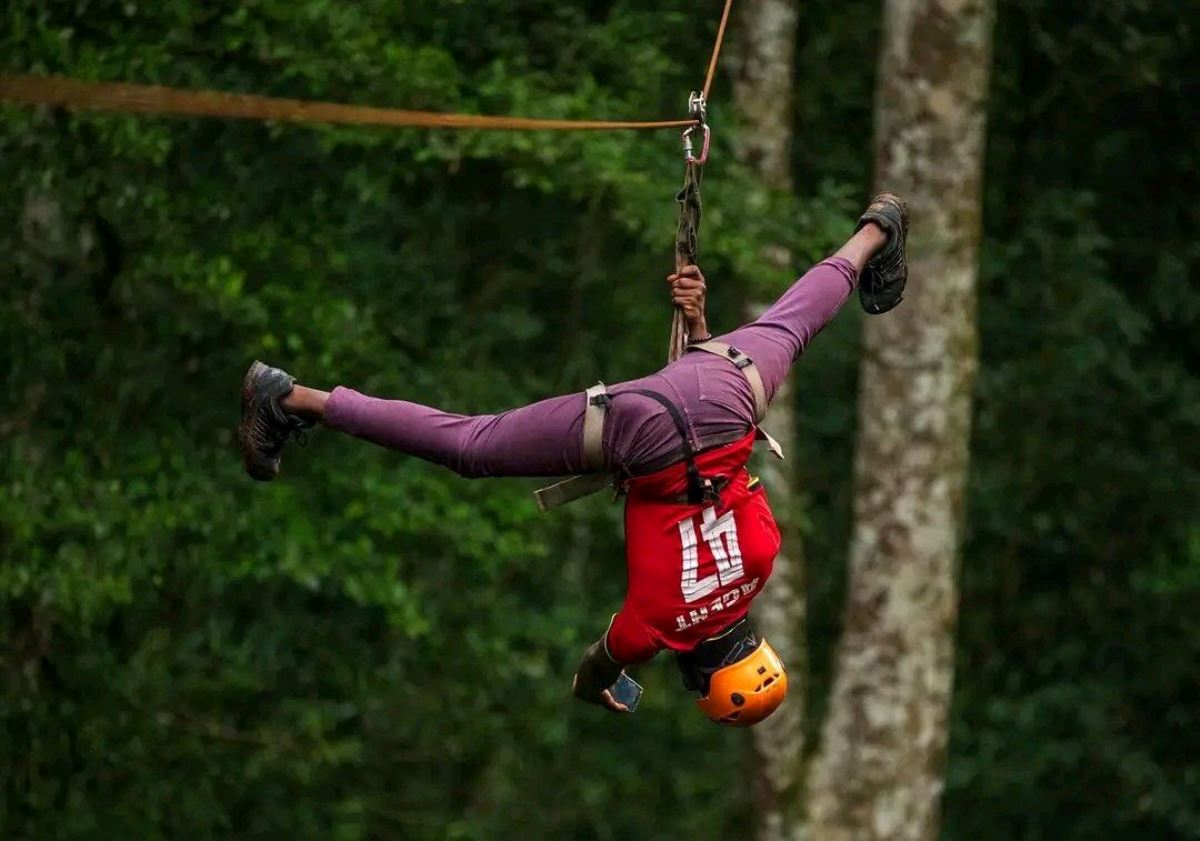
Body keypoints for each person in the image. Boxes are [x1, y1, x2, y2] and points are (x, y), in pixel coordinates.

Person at [238, 194, 909, 726]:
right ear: (698, 678)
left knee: (795, 324)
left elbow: (715, 473)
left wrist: (703, 336)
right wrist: (600, 688)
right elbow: (594, 668)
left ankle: (878, 228)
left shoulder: (765, 554)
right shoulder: (654, 626)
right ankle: (293, 399)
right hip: (637, 429)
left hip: (723, 390)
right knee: (471, 446)